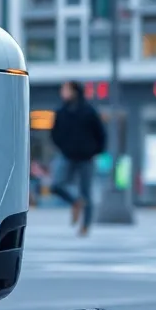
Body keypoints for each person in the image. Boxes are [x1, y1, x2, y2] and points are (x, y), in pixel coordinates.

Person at [49, 81, 107, 236]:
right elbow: (54, 133)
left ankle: (85, 226)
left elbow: (101, 134)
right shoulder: (61, 112)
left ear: (74, 91)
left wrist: (94, 151)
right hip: (67, 155)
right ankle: (75, 201)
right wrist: (63, 147)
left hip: (86, 158)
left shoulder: (89, 111)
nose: (62, 92)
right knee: (56, 185)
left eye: (65, 89)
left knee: (86, 192)